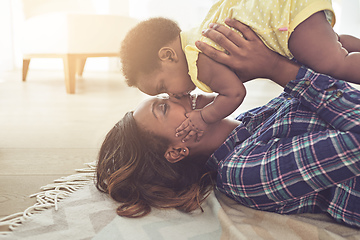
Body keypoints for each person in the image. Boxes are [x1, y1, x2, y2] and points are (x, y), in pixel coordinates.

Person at [97, 20, 360, 228]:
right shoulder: (243, 172)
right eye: (164, 106)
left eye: (167, 94)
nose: (180, 94)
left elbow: (324, 84)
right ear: (176, 151)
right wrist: (275, 68)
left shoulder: (252, 120)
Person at [119, 0, 360, 142]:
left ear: (168, 55)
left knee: (334, 64)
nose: (173, 96)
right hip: (283, 16)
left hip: (285, 17)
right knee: (333, 46)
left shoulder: (200, 61)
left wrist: (204, 117)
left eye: (163, 87)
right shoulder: (196, 37)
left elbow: (234, 93)